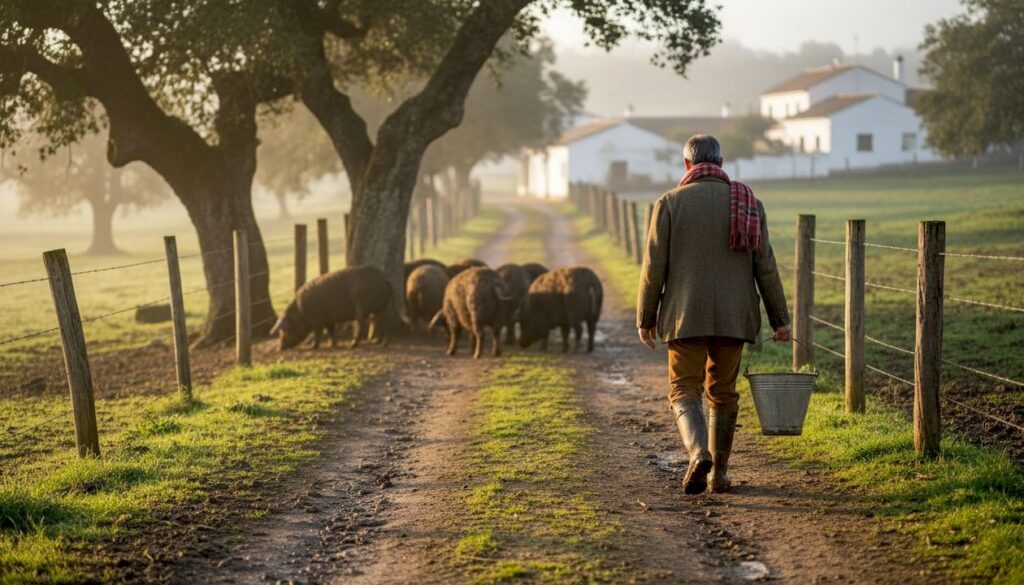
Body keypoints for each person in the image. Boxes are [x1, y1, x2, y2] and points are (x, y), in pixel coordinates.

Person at [636, 134, 791, 495]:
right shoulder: (748, 202)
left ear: (687, 165)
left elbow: (652, 267)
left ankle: (698, 453)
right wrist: (780, 319)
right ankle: (719, 476)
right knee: (723, 392)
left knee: (683, 389)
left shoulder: (670, 203)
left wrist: (645, 318)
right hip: (734, 317)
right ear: (720, 163)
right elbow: (765, 265)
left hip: (684, 315)